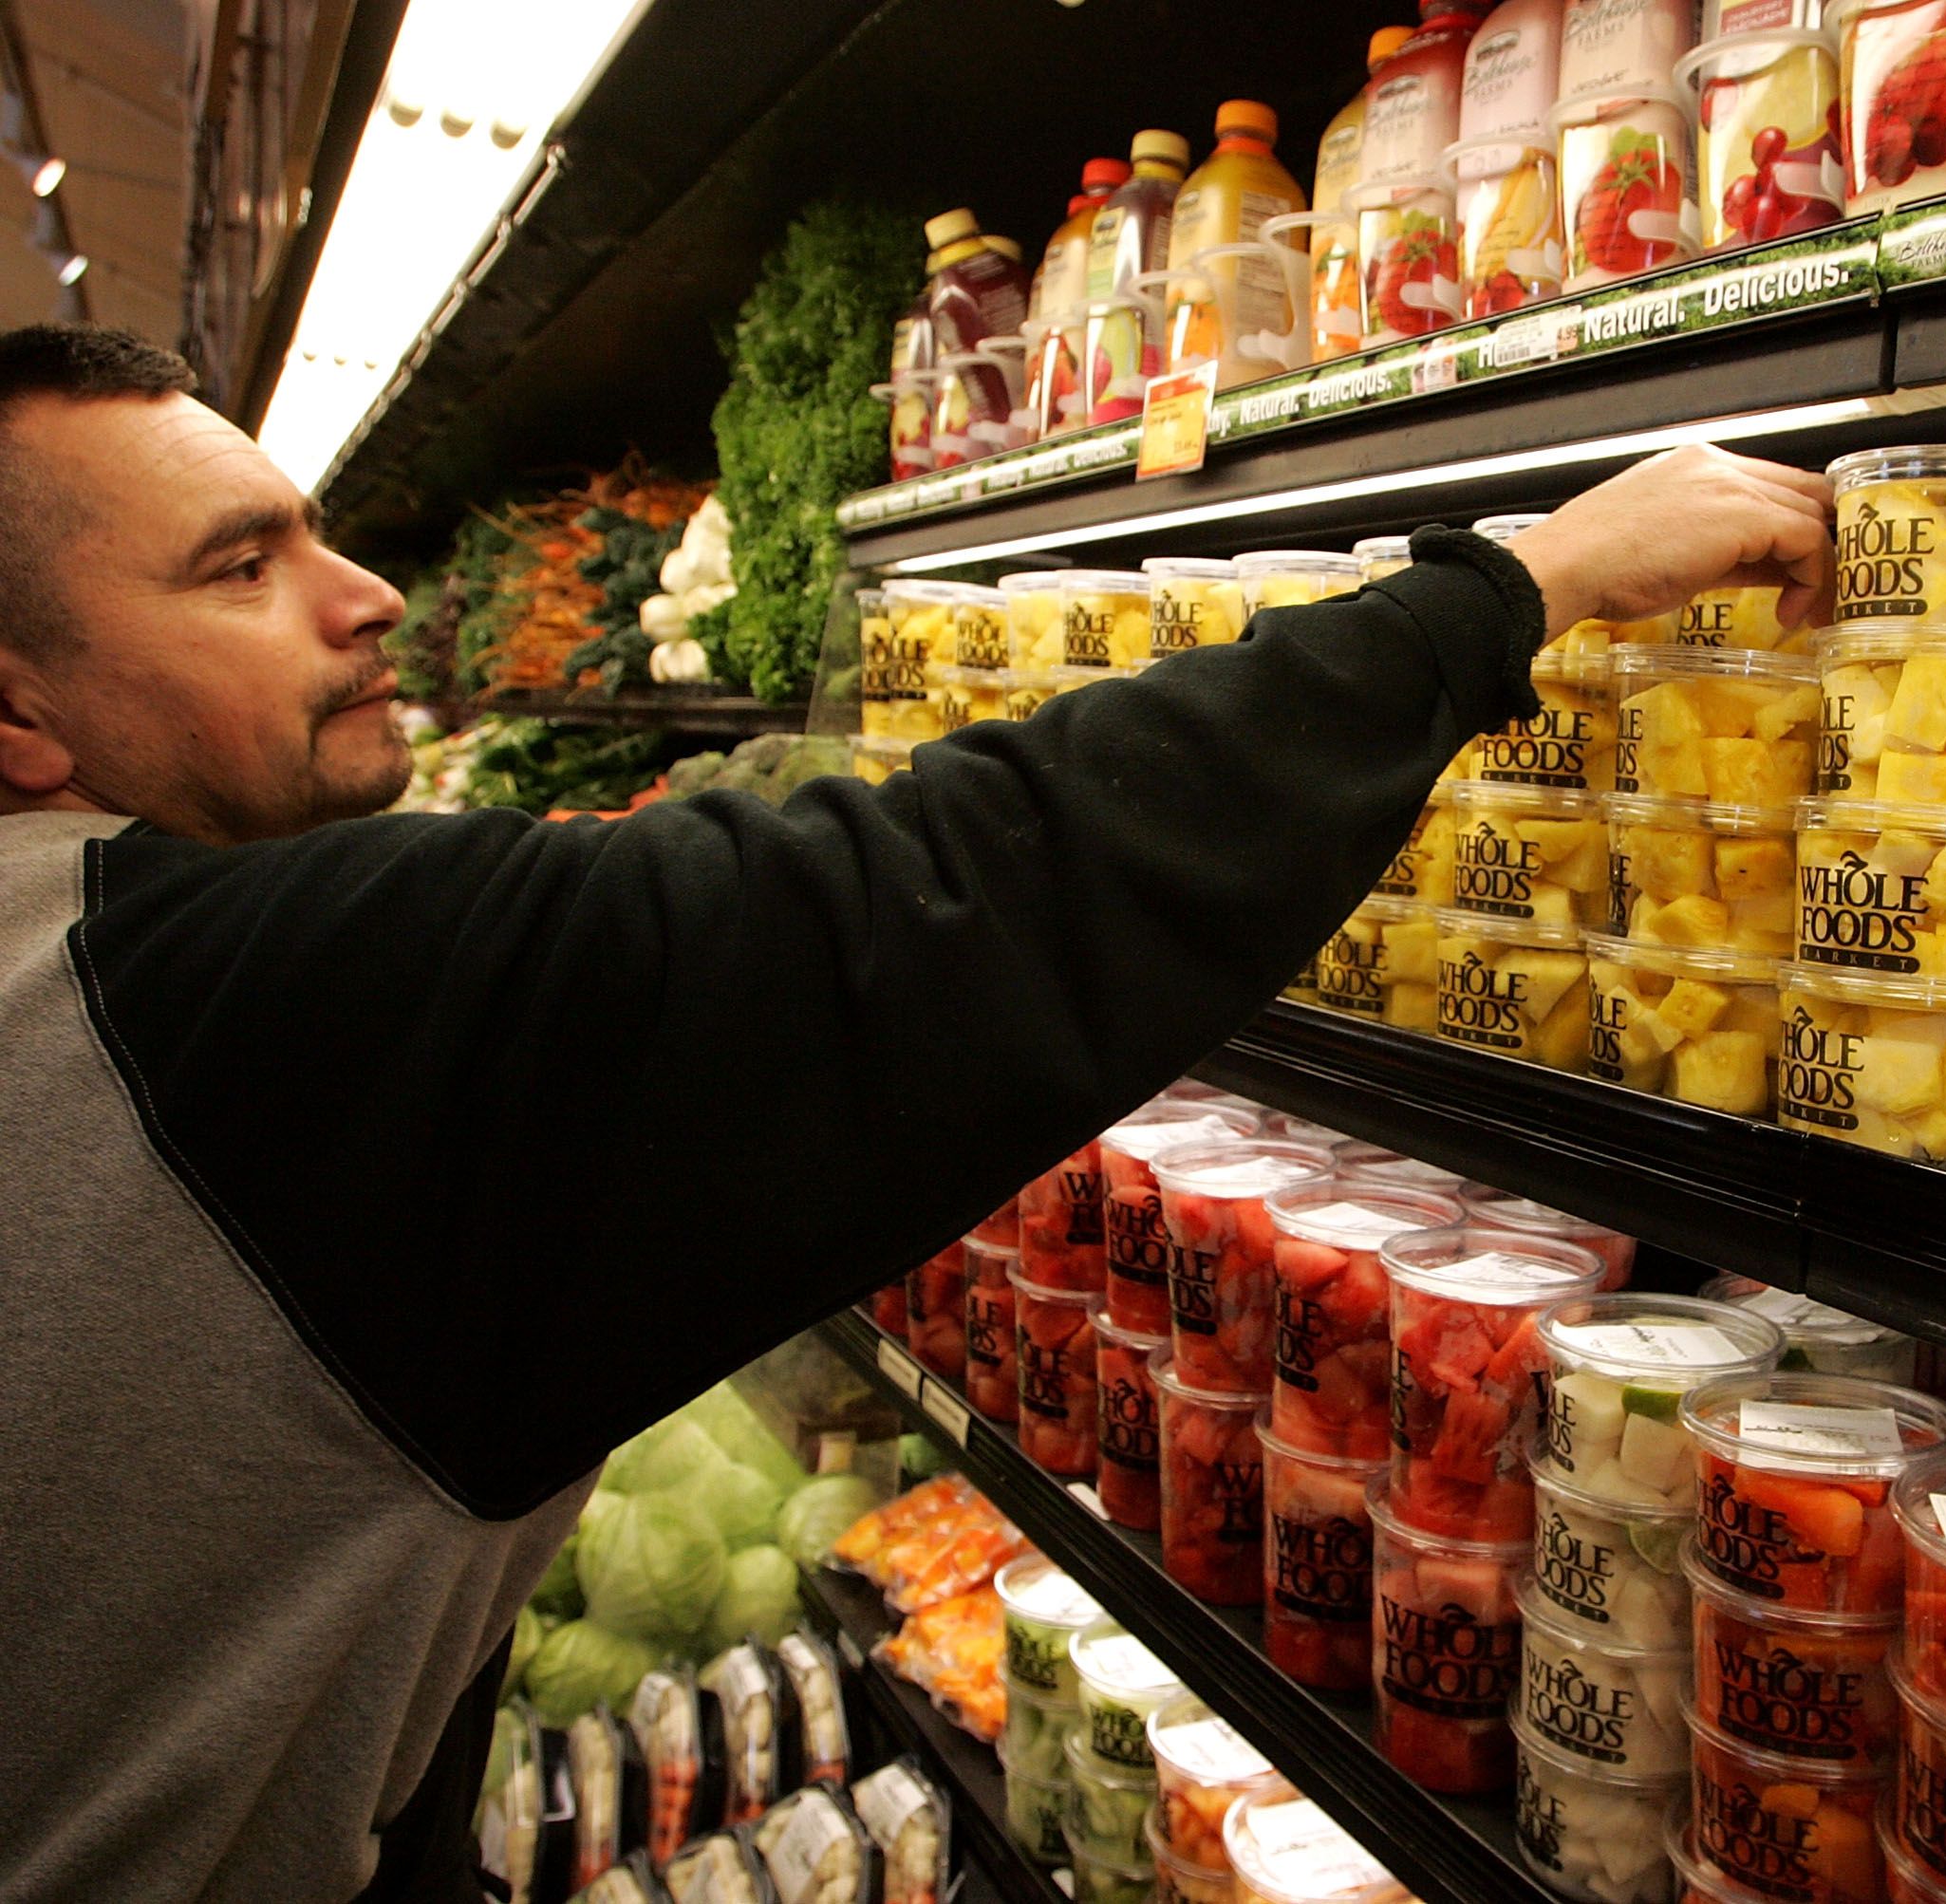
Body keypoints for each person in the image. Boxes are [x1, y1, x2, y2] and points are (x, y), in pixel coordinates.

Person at [0, 321, 1834, 1904]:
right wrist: (1525, 584)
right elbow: (939, 893)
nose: (366, 591)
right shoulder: (220, 1008)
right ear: (20, 708)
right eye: (238, 567)